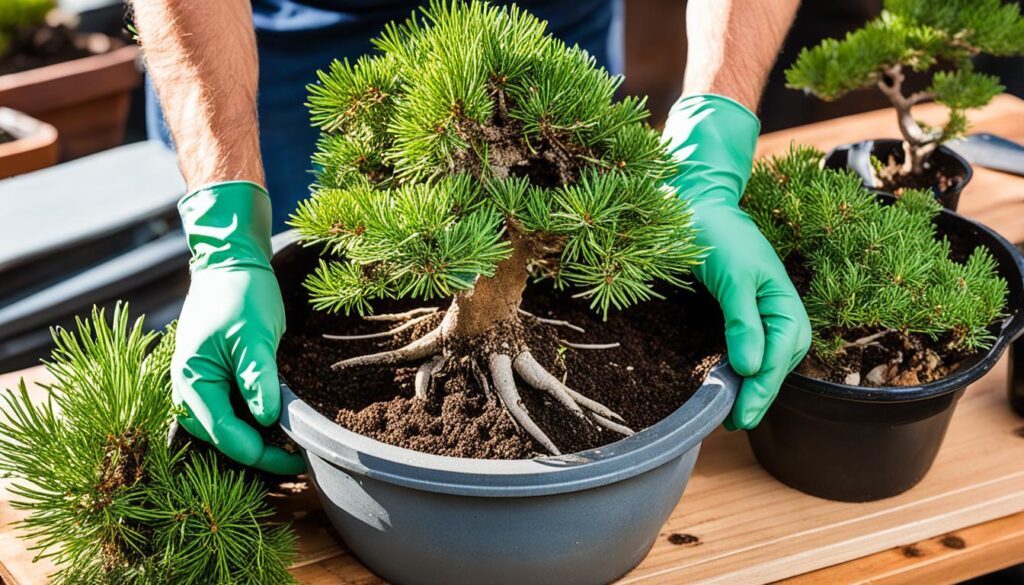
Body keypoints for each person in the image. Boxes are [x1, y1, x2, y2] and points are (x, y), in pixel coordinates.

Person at [131, 0, 809, 474]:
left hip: (541, 38)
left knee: (557, 202)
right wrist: (228, 234)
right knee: (329, 251)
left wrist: (711, 146)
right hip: (291, 47)